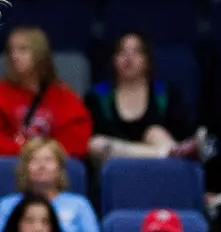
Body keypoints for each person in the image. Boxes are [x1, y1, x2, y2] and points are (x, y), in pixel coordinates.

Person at [0, 26, 92, 161]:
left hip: (53, 169)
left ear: (40, 55)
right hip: (10, 166)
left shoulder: (63, 96)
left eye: (22, 50)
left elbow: (77, 139)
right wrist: (25, 152)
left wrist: (47, 155)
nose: (14, 56)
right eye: (10, 50)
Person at [0, 137, 104, 232]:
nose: (42, 165)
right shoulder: (7, 205)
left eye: (48, 160)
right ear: (24, 168)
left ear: (60, 168)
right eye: (34, 160)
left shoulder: (80, 205)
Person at [85, 31, 203, 165]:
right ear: (113, 59)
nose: (128, 57)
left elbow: (183, 132)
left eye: (136, 52)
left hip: (160, 170)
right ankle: (165, 153)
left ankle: (166, 153)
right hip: (116, 168)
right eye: (121, 51)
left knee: (155, 132)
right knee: (97, 144)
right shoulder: (97, 97)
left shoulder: (165, 93)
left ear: (148, 60)